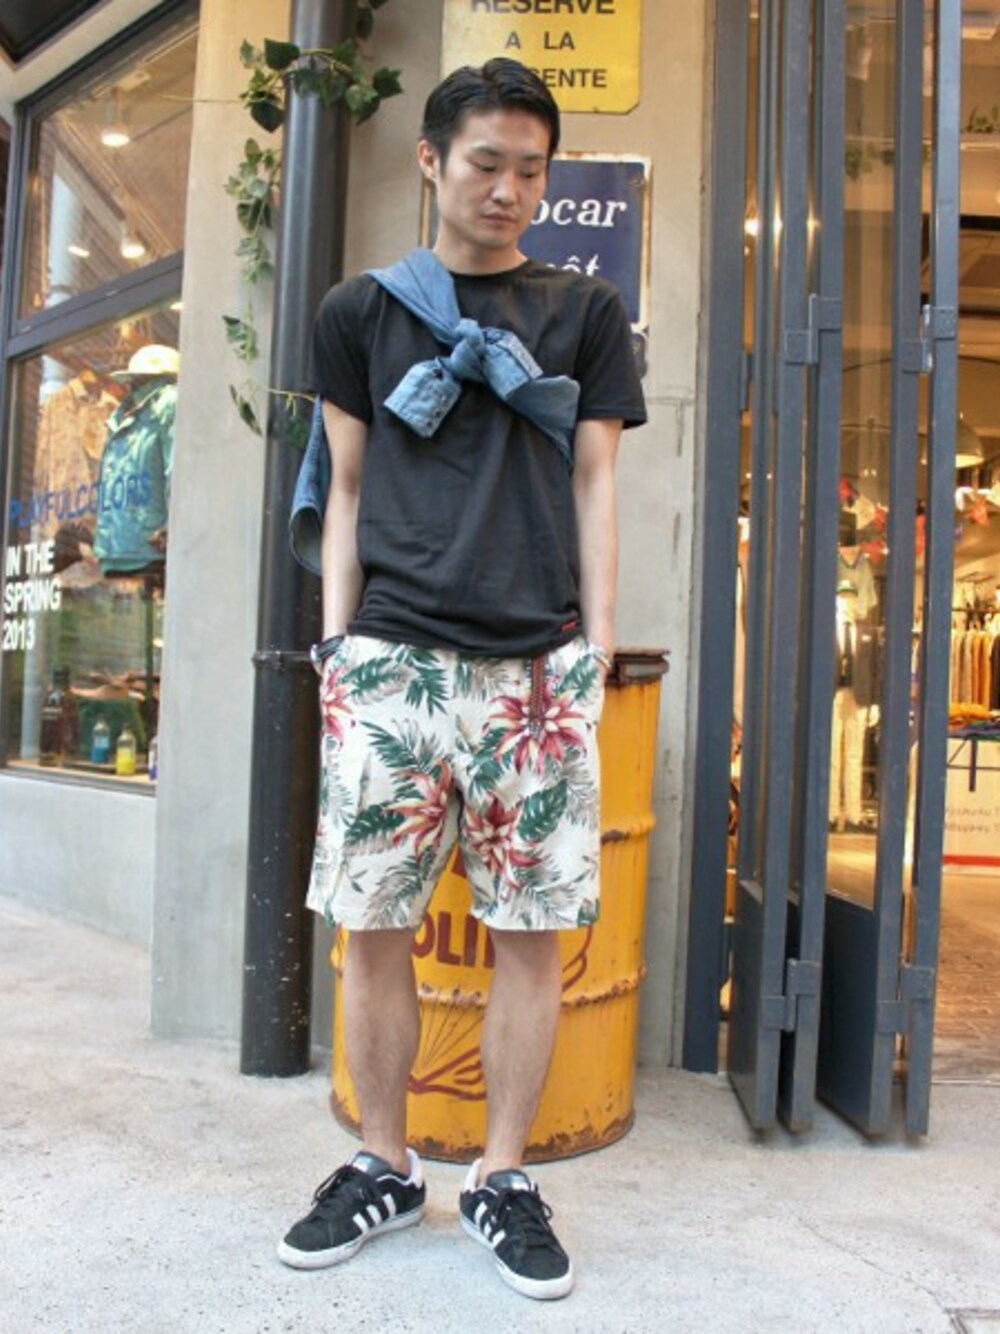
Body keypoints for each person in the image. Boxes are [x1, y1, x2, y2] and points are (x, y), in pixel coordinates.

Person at [279, 57, 646, 1301]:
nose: (508, 189)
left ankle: (501, 1173)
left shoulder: (583, 312)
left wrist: (595, 644)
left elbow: (595, 481)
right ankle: (382, 1162)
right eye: (486, 162)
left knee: (531, 936)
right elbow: (345, 486)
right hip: (390, 656)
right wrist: (339, 645)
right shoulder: (359, 312)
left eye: (530, 170)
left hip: (535, 667)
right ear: (431, 160)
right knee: (374, 924)